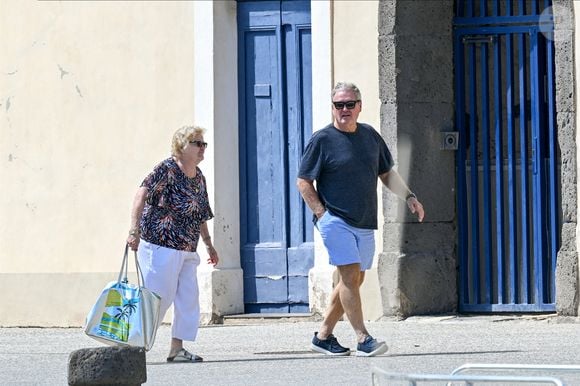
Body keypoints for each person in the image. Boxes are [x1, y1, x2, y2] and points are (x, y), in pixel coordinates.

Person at [297, 82, 425, 357]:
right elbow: (304, 181)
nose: (344, 110)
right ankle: (362, 338)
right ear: (333, 108)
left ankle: (323, 336)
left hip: (365, 221)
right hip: (336, 220)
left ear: (359, 106)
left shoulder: (369, 136)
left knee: (354, 280)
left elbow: (387, 173)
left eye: (349, 104)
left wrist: (409, 197)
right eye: (339, 105)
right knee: (349, 275)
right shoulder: (322, 140)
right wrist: (322, 215)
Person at [126, 125, 219, 362]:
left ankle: (176, 349)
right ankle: (133, 348)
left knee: (188, 298)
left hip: (187, 247)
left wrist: (208, 245)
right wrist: (133, 231)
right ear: (181, 146)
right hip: (160, 245)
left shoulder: (198, 177)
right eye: (197, 143)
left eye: (203, 144)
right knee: (158, 297)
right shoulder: (166, 169)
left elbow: (200, 214)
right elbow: (140, 195)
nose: (202, 148)